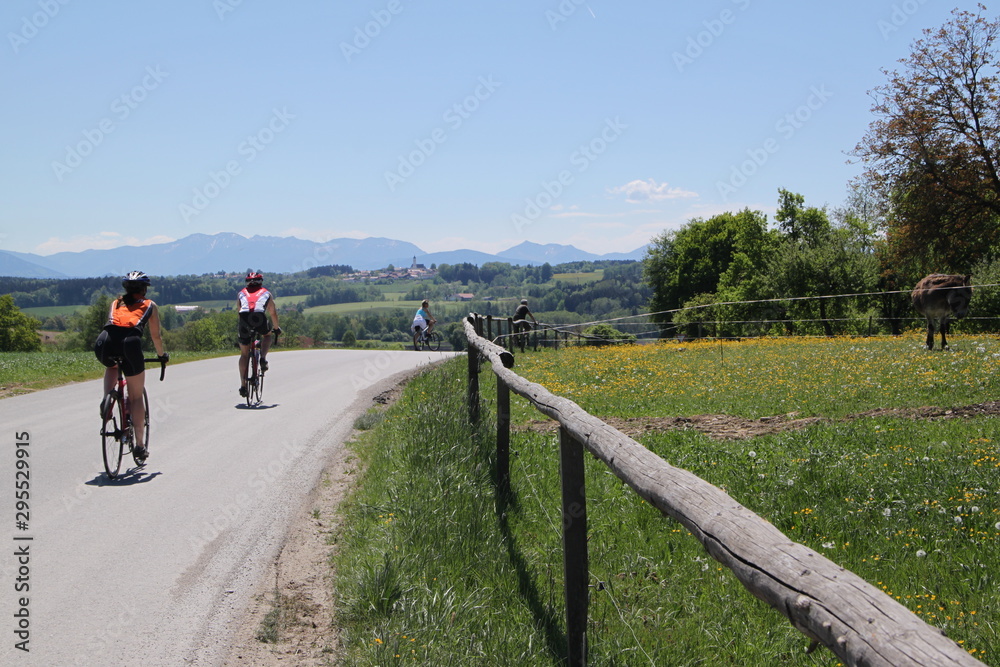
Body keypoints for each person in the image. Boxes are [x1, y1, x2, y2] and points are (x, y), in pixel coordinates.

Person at [94, 270, 167, 462]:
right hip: (130, 343)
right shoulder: (150, 305)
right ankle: (140, 446)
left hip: (104, 342)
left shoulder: (116, 302)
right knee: (135, 397)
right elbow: (156, 336)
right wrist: (161, 356)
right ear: (144, 289)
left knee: (112, 366)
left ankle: (107, 399)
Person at [237, 270, 281, 397]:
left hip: (244, 318)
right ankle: (262, 358)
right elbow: (273, 313)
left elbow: (239, 311)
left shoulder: (241, 293)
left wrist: (243, 330)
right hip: (259, 316)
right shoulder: (266, 293)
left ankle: (243, 385)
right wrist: (276, 328)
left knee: (244, 354)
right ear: (260, 282)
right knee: (267, 335)